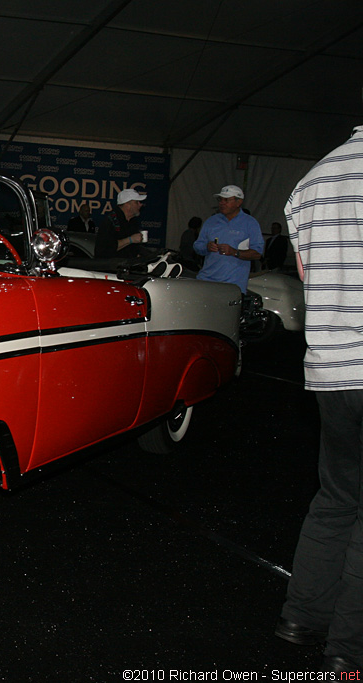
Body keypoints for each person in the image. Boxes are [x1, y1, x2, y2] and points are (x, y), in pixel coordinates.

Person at [274, 124, 363, 674]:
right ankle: (349, 652)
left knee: (336, 496)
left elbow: (307, 275)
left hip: (332, 370)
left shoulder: (311, 182)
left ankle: (302, 617)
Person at [192, 185, 263, 293]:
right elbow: (197, 246)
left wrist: (234, 252)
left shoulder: (250, 223)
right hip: (206, 281)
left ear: (239, 202)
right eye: (220, 199)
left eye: (226, 200)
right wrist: (207, 247)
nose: (222, 203)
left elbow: (257, 253)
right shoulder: (211, 221)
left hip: (232, 285)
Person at [94, 188, 146, 258]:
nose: (140, 205)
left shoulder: (132, 222)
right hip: (111, 266)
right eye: (137, 202)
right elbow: (105, 248)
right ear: (128, 205)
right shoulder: (111, 221)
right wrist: (130, 239)